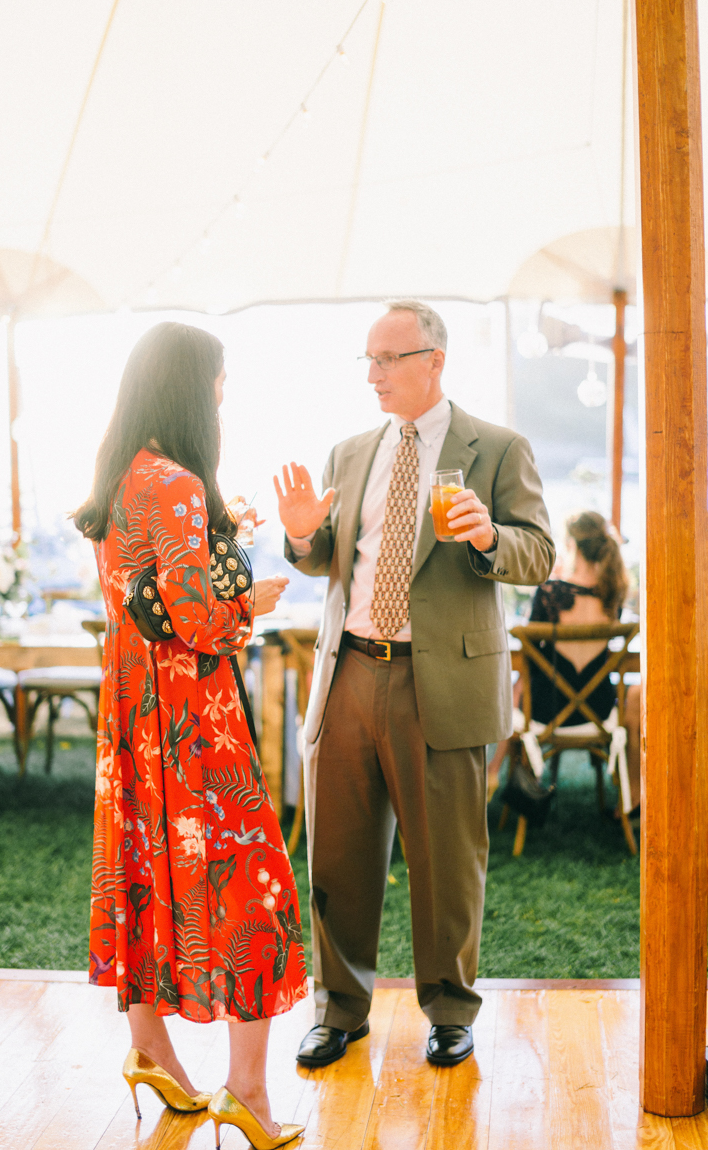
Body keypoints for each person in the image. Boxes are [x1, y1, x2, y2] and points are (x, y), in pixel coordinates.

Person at [275, 299, 555, 1070]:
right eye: (367, 360)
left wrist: (489, 535)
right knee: (336, 856)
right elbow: (323, 554)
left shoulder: (497, 448)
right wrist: (302, 532)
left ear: (434, 359)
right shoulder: (348, 451)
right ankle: (338, 1009)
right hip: (350, 672)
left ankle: (449, 1011)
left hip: (445, 683)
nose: (373, 375)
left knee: (447, 862)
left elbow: (539, 555)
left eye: (388, 359)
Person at [75, 322, 306, 1150]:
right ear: (187, 386)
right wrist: (252, 601)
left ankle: (151, 1050)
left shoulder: (118, 478)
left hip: (132, 712)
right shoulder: (172, 483)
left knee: (142, 869)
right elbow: (197, 618)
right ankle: (246, 1090)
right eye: (216, 380)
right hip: (190, 715)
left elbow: (142, 604)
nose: (220, 395)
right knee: (254, 886)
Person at [487, 510, 641, 815]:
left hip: (547, 709)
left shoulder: (549, 592)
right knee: (529, 680)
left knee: (523, 683)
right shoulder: (614, 596)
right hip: (598, 708)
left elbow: (529, 655)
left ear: (570, 545)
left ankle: (497, 775)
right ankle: (632, 798)